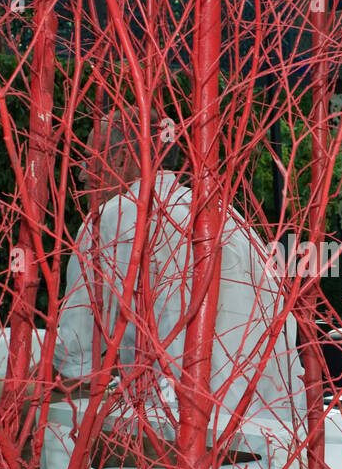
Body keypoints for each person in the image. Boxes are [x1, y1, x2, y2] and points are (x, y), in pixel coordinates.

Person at [53, 108, 305, 442]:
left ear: (123, 156)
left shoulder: (109, 221)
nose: (82, 175)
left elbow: (75, 362)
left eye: (89, 158)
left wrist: (7, 389)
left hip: (184, 442)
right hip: (279, 433)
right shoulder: (226, 215)